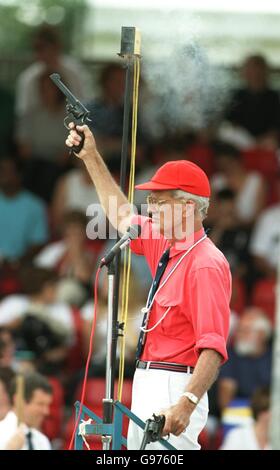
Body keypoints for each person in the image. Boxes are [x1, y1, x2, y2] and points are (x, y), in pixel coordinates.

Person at [65, 123, 231, 450]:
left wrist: (186, 402)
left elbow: (213, 346)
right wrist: (91, 156)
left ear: (186, 207)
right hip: (148, 379)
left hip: (175, 384)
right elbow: (121, 213)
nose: (150, 209)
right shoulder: (164, 241)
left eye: (158, 201)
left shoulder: (205, 262)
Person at [0, 372, 52, 450]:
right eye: (40, 404)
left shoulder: (42, 440)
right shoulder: (2, 434)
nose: (46, 411)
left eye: (47, 405)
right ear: (18, 400)